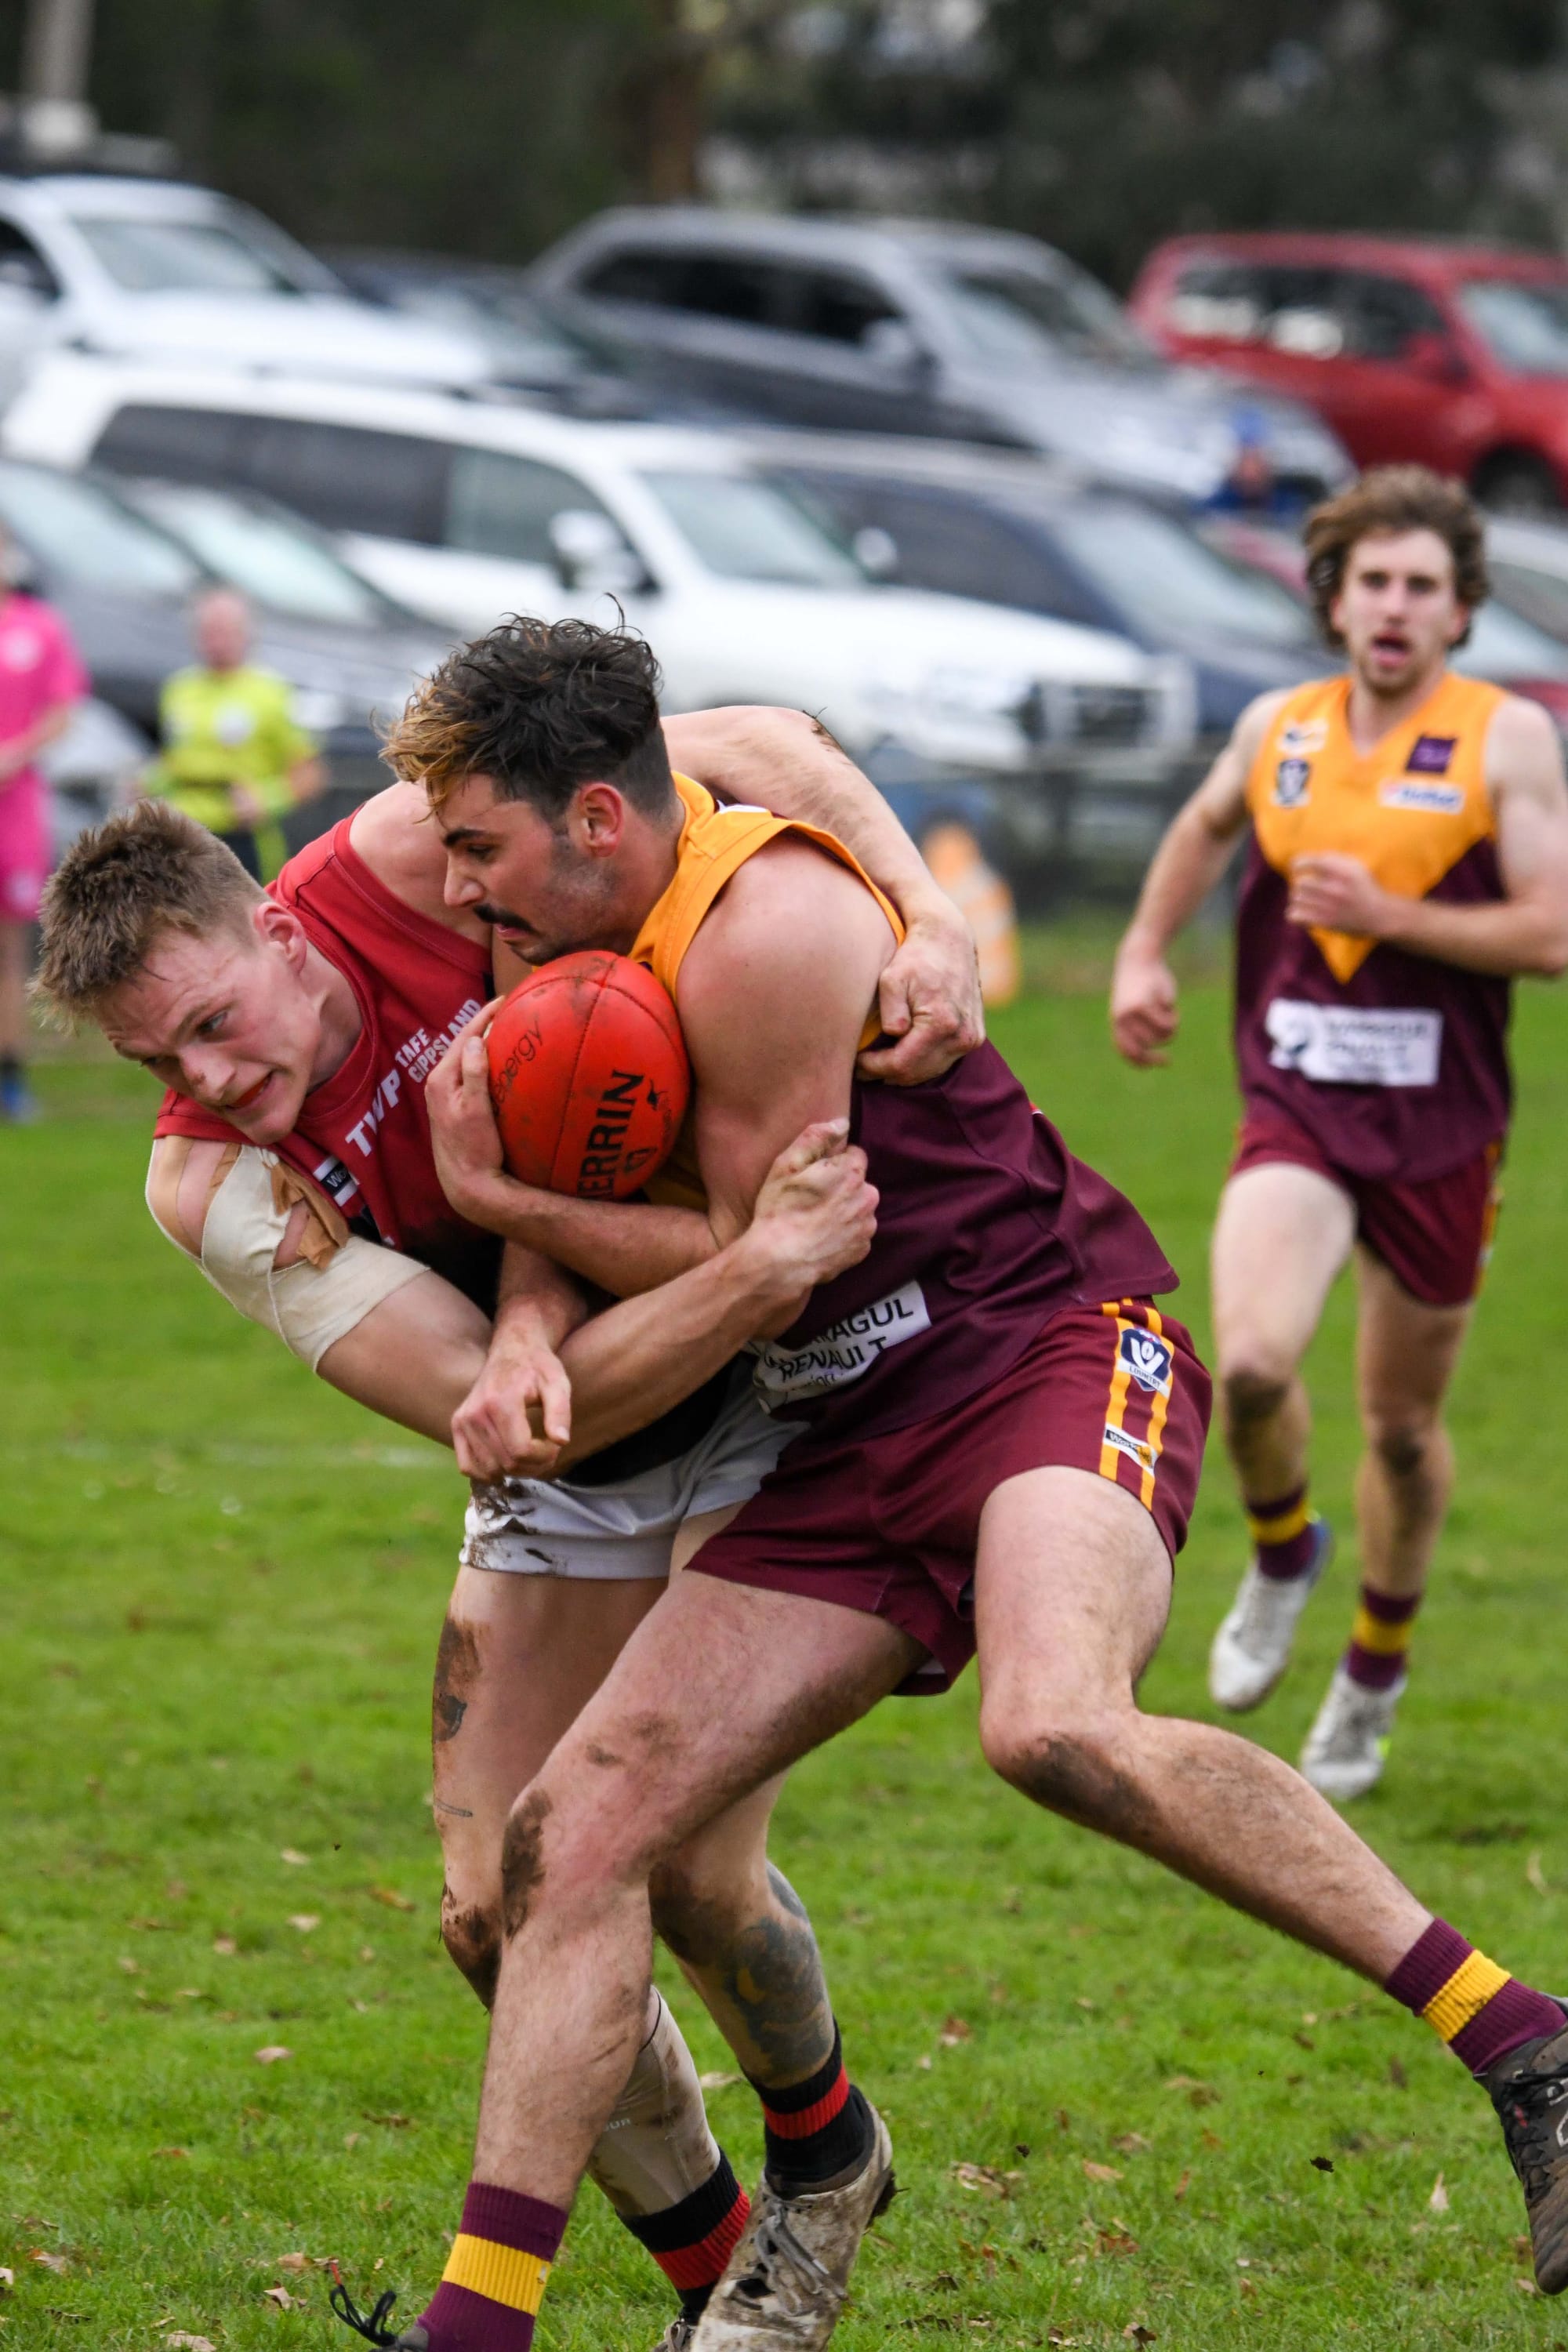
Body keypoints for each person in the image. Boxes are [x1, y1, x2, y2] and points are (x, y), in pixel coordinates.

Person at [371, 612, 1568, 2352]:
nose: (459, 891)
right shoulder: (553, 928)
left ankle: (1523, 2038)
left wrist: (495, 1214)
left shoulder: (766, 923)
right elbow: (764, 743)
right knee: (578, 1835)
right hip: (845, 1427)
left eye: (478, 845)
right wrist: (524, 1314)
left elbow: (748, 1249)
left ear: (600, 820)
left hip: (1037, 1347)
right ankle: (478, 2330)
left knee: (1053, 1724)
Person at [32, 704, 983, 2352]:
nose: (203, 1083)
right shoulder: (213, 1192)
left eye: (207, 1024)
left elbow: (756, 735)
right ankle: (721, 2276)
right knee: (491, 1911)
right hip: (593, 1442)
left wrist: (927, 911)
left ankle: (820, 2160)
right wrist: (654, 1288)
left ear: (273, 925)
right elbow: (526, 1407)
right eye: (151, 1069)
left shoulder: (416, 854)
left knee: (675, 1857)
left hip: (770, 1399)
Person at [1110, 466, 1568, 1800]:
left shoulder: (1506, 741)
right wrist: (1144, 953)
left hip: (1441, 1130)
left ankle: (1374, 1665)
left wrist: (1393, 912)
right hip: (1298, 1102)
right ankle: (1282, 1544)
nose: (1396, 607)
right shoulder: (1280, 730)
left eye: (1424, 587)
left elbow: (1550, 932)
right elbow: (1201, 832)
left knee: (1404, 1428)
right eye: (1375, 581)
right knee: (1249, 1365)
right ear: (1333, 599)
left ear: (1463, 613)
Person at [144, 586, 324, 882]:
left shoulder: (272, 693)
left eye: (225, 630)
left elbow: (310, 775)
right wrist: (149, 781)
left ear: (247, 633)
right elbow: (174, 759)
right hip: (182, 829)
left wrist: (267, 799)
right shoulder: (179, 689)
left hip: (240, 834)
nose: (216, 641)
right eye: (208, 631)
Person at [0, 527, 86, 1120]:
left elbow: (63, 711)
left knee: (9, 950)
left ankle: (11, 1075)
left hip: (16, 810)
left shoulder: (38, 627)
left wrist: (16, 752)